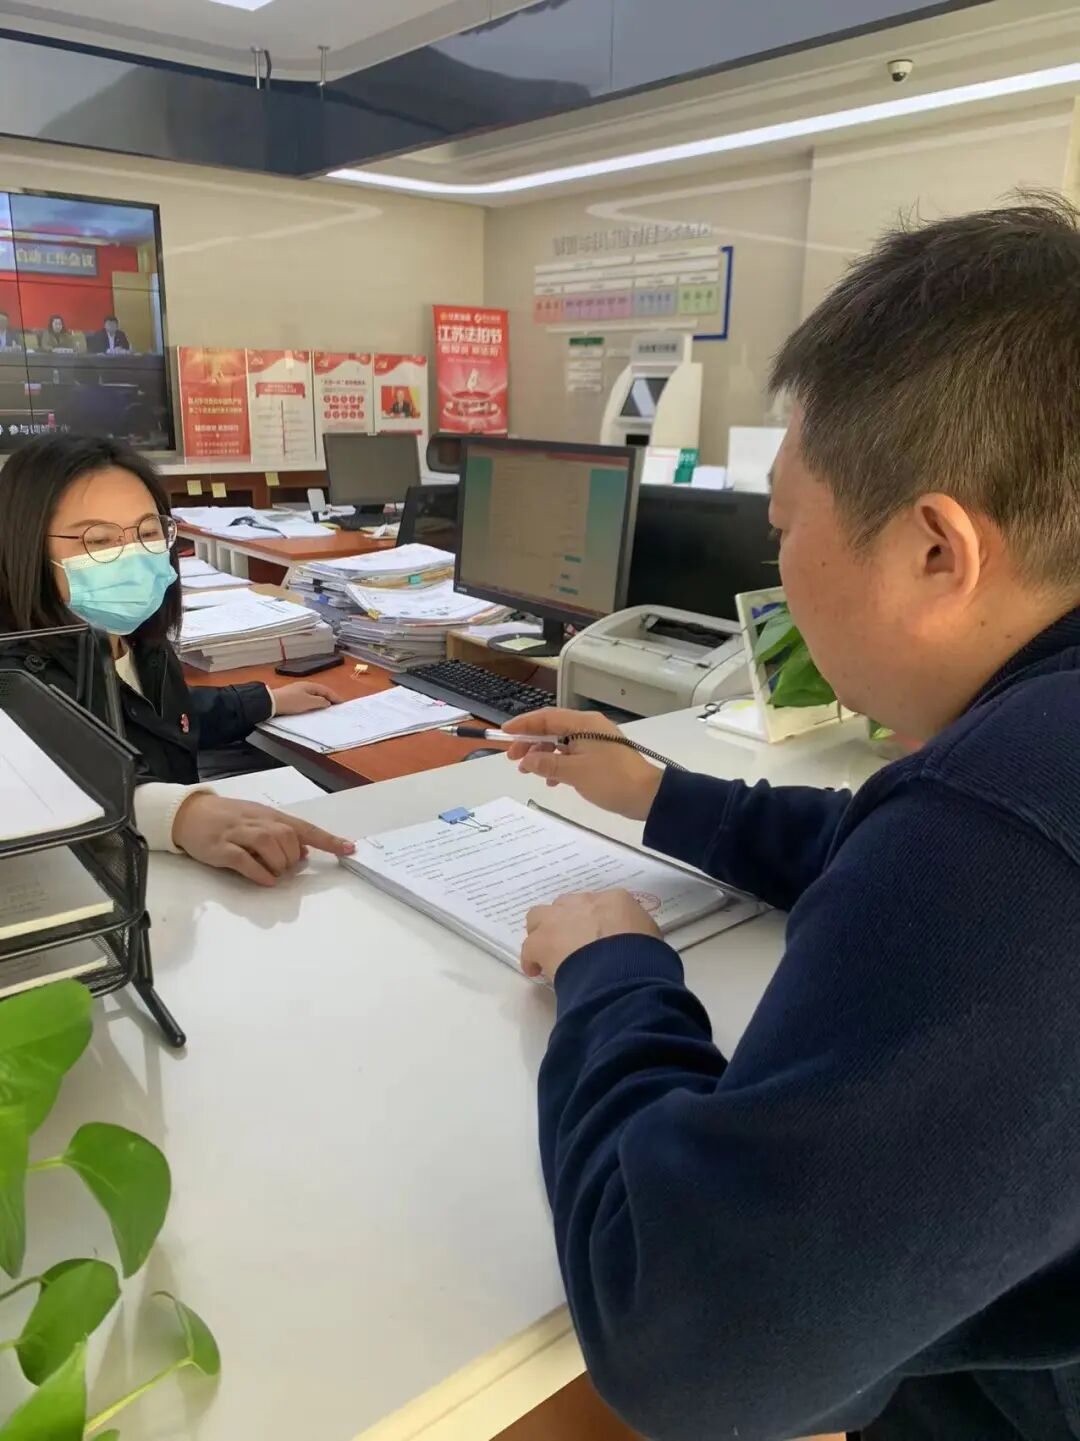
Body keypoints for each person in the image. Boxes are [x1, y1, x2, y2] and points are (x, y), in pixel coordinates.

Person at [505, 198, 1080, 1441]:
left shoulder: (995, 828)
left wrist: (615, 974)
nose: (777, 565)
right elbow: (891, 839)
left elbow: (692, 1345)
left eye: (782, 524)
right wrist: (659, 792)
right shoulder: (1027, 768)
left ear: (937, 551)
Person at [0, 435, 353, 886]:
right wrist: (179, 814)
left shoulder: (136, 641)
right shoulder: (15, 676)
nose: (132, 556)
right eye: (99, 539)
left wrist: (266, 700)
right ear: (26, 548)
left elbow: (166, 720)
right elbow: (49, 773)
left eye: (148, 532)